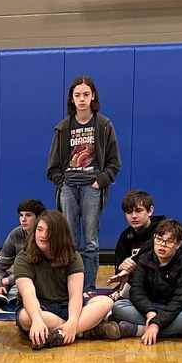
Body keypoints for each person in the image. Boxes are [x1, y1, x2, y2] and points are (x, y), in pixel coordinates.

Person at [46, 75, 122, 294]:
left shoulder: (104, 125)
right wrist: (64, 182)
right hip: (68, 189)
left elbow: (115, 163)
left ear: (93, 96)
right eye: (77, 95)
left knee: (90, 243)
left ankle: (87, 289)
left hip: (92, 188)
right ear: (71, 98)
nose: (81, 99)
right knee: (68, 243)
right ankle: (69, 288)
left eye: (85, 94)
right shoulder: (62, 128)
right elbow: (51, 168)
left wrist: (100, 181)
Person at [14, 210, 118, 350]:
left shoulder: (72, 256)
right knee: (26, 318)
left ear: (59, 235)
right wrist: (37, 319)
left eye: (49, 231)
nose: (43, 235)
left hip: (67, 307)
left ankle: (60, 334)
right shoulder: (23, 258)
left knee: (106, 302)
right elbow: (28, 293)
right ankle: (84, 331)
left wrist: (73, 321)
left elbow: (75, 295)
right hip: (41, 308)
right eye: (39, 230)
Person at [111, 219, 182, 345]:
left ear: (178, 244)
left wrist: (156, 324)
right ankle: (180, 330)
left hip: (179, 309)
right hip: (153, 306)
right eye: (159, 239)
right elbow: (137, 291)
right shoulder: (144, 259)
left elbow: (180, 301)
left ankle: (139, 330)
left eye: (169, 242)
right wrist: (150, 314)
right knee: (118, 307)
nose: (162, 245)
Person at [105, 190, 165, 300]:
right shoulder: (125, 236)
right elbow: (119, 270)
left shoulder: (163, 229)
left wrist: (133, 263)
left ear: (150, 210)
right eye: (128, 212)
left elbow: (152, 248)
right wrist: (122, 266)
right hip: (134, 287)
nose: (133, 216)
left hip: (160, 285)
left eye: (138, 211)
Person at [0, 199, 46, 305]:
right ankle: (0, 294)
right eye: (21, 215)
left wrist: (9, 280)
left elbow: (39, 271)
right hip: (16, 277)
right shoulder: (16, 234)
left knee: (26, 284)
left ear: (38, 218)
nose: (23, 219)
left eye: (28, 215)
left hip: (36, 279)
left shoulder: (44, 236)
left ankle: (3, 298)